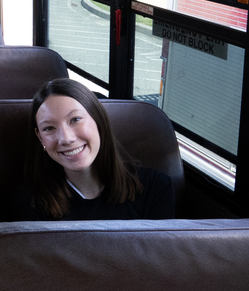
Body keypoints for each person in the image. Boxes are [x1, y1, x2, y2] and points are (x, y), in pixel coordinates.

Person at [12, 79, 176, 221]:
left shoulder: (155, 188)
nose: (66, 138)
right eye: (49, 128)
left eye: (75, 119)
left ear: (98, 120)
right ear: (40, 138)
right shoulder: (31, 200)